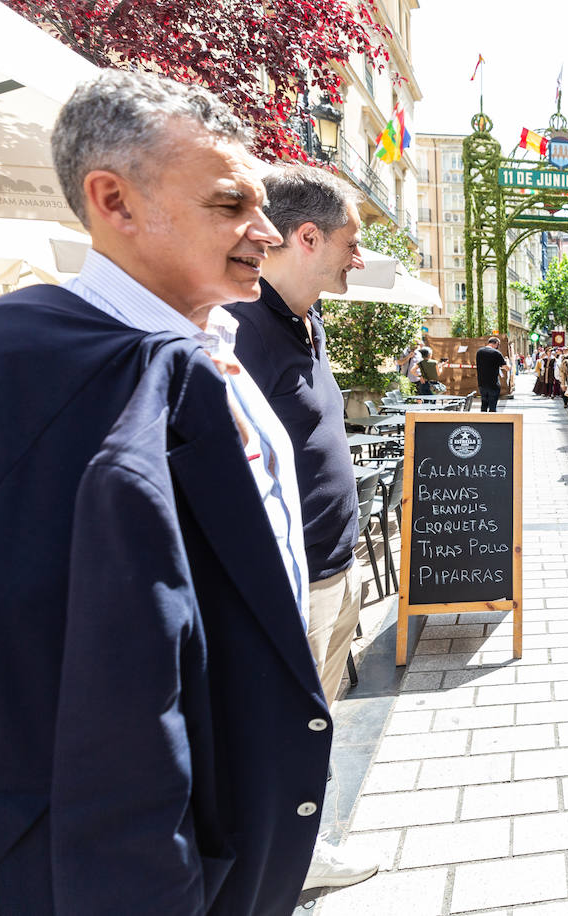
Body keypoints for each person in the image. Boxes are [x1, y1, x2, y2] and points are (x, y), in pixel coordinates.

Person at [0, 71, 331, 914]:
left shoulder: (215, 340)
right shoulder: (26, 367)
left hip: (235, 816)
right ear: (115, 200)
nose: (264, 231)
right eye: (228, 206)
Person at [226, 163, 380, 892]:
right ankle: (283, 863)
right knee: (281, 731)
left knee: (315, 721)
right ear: (308, 236)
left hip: (336, 567)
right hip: (292, 584)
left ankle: (301, 845)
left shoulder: (306, 319)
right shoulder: (238, 334)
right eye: (351, 243)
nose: (358, 258)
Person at [475, 335, 508, 412]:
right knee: (492, 405)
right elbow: (506, 367)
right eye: (498, 345)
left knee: (484, 405)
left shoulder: (479, 352)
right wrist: (507, 361)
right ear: (496, 343)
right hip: (493, 383)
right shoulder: (496, 353)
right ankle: (492, 422)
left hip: (482, 383)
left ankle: (483, 422)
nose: (498, 347)